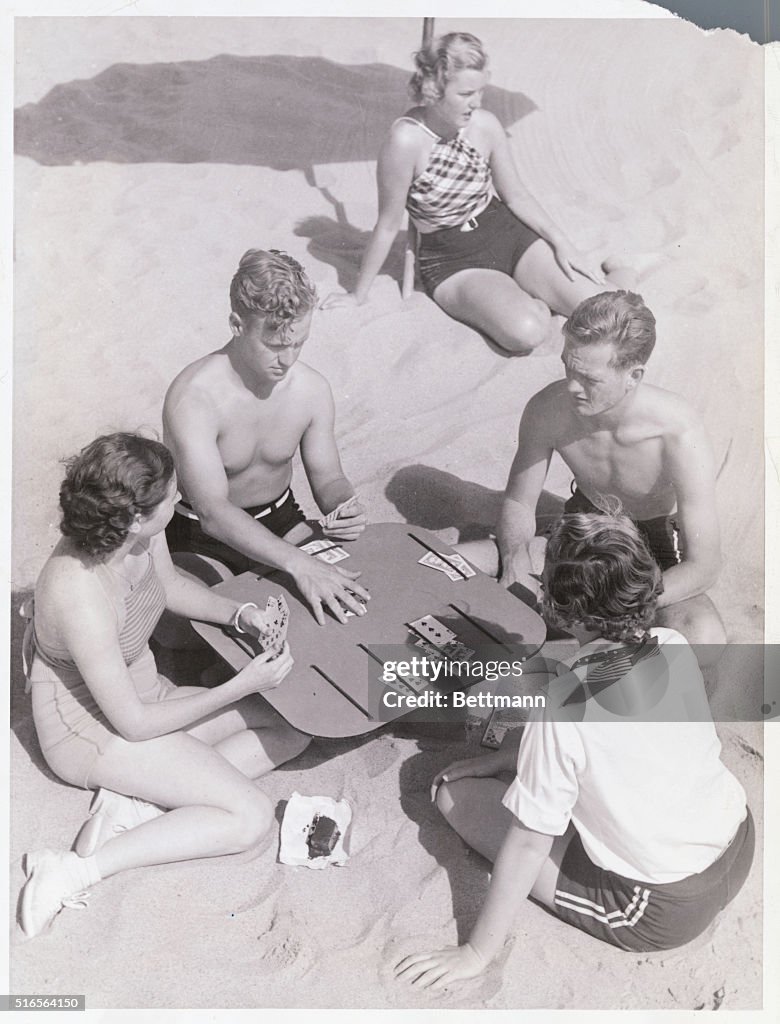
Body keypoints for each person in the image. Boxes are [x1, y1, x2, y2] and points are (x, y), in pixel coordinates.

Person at [395, 511, 753, 989]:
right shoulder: (671, 643)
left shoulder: (565, 703)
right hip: (740, 842)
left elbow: (528, 843)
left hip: (664, 907)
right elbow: (636, 744)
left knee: (452, 796)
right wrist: (511, 756)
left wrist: (476, 952)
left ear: (557, 607)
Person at [19, 433, 310, 938]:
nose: (181, 500)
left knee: (294, 725)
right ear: (133, 515)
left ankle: (139, 801)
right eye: (172, 496)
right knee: (250, 817)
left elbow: (169, 585)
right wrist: (241, 684)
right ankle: (72, 869)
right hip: (90, 732)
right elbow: (133, 724)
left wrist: (239, 614)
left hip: (143, 697)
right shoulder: (78, 593)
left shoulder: (138, 536)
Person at [322, 31, 642, 354]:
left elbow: (516, 196)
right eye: (466, 93)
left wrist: (563, 243)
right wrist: (356, 295)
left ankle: (619, 272)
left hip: (507, 235)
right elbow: (388, 225)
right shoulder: (405, 141)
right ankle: (531, 301)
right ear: (434, 90)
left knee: (609, 316)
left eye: (480, 91)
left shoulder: (485, 126)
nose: (476, 102)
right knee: (527, 333)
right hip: (453, 261)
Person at [461, 289, 725, 655]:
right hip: (578, 535)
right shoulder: (547, 408)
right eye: (568, 367)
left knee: (704, 637)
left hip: (647, 557)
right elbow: (520, 504)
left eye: (590, 379)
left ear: (633, 375)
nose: (572, 386)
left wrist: (620, 607)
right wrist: (516, 564)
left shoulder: (679, 434)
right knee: (451, 564)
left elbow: (705, 565)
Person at [163, 248, 370, 628]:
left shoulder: (311, 389)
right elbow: (212, 511)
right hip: (202, 536)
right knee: (192, 630)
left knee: (349, 592)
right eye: (275, 345)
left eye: (299, 343)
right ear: (237, 324)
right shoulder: (195, 398)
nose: (288, 359)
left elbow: (328, 478)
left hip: (282, 520)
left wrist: (344, 506)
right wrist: (298, 564)